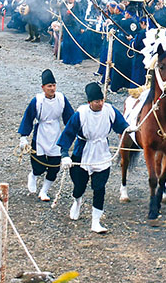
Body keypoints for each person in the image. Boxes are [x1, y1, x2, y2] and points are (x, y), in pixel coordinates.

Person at [57, 82, 132, 234]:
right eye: (97, 101)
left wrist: (129, 128)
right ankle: (77, 201)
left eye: (101, 100)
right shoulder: (81, 114)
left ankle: (95, 221)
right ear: (89, 102)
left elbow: (121, 124)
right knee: (79, 185)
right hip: (83, 152)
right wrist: (64, 154)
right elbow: (68, 133)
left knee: (99, 188)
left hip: (101, 153)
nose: (100, 104)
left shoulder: (109, 110)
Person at [18, 69, 75, 201]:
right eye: (49, 86)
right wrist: (23, 137)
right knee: (39, 166)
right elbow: (28, 118)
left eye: (54, 85)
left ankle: (44, 191)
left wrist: (76, 133)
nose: (52, 88)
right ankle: (33, 175)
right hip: (41, 133)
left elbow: (70, 118)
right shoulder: (37, 101)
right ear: (43, 87)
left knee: (54, 166)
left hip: (55, 133)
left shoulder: (61, 99)